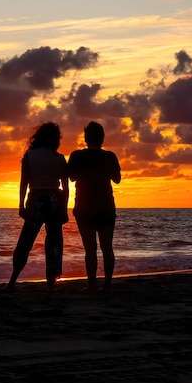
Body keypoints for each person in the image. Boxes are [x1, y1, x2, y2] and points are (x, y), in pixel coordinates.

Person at [6, 122, 69, 292]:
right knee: (54, 241)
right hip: (55, 200)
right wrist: (64, 208)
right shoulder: (60, 158)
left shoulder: (29, 156)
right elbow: (65, 187)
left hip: (36, 200)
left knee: (26, 240)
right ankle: (51, 282)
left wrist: (20, 204)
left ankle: (13, 280)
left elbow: (24, 183)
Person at [68, 121, 121, 292]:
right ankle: (107, 285)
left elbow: (71, 177)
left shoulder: (77, 156)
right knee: (107, 248)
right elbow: (117, 179)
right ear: (103, 138)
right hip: (105, 206)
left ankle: (91, 284)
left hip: (85, 207)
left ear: (85, 138)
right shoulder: (109, 156)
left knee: (90, 249)